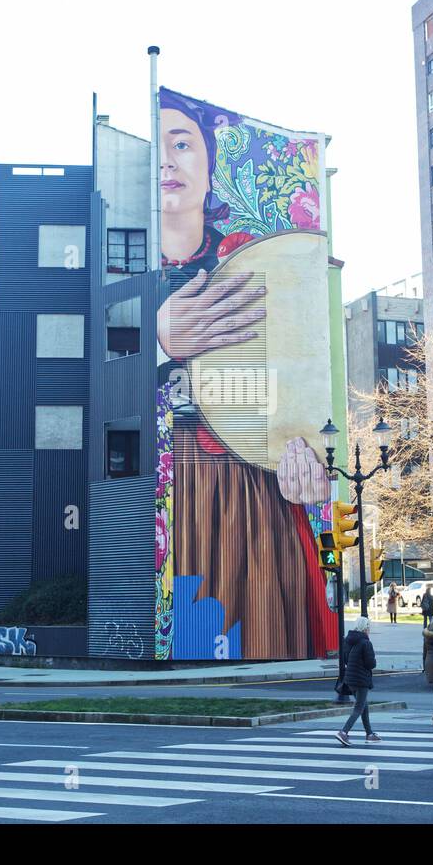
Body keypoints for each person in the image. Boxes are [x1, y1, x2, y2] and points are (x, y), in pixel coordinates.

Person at [155, 88, 336, 660]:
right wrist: (161, 346)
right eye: (157, 146)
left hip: (251, 491)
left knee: (258, 623)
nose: (167, 160)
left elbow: (294, 376)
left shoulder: (259, 259)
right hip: (175, 490)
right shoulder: (129, 271)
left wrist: (308, 458)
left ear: (211, 168)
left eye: (182, 144)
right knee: (196, 613)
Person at [335, 616, 382, 746]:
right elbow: (370, 664)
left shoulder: (348, 640)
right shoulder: (366, 643)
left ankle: (369, 734)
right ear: (365, 628)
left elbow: (344, 659)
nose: (369, 630)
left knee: (363, 706)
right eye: (369, 628)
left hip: (350, 678)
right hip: (361, 679)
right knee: (359, 707)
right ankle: (343, 732)